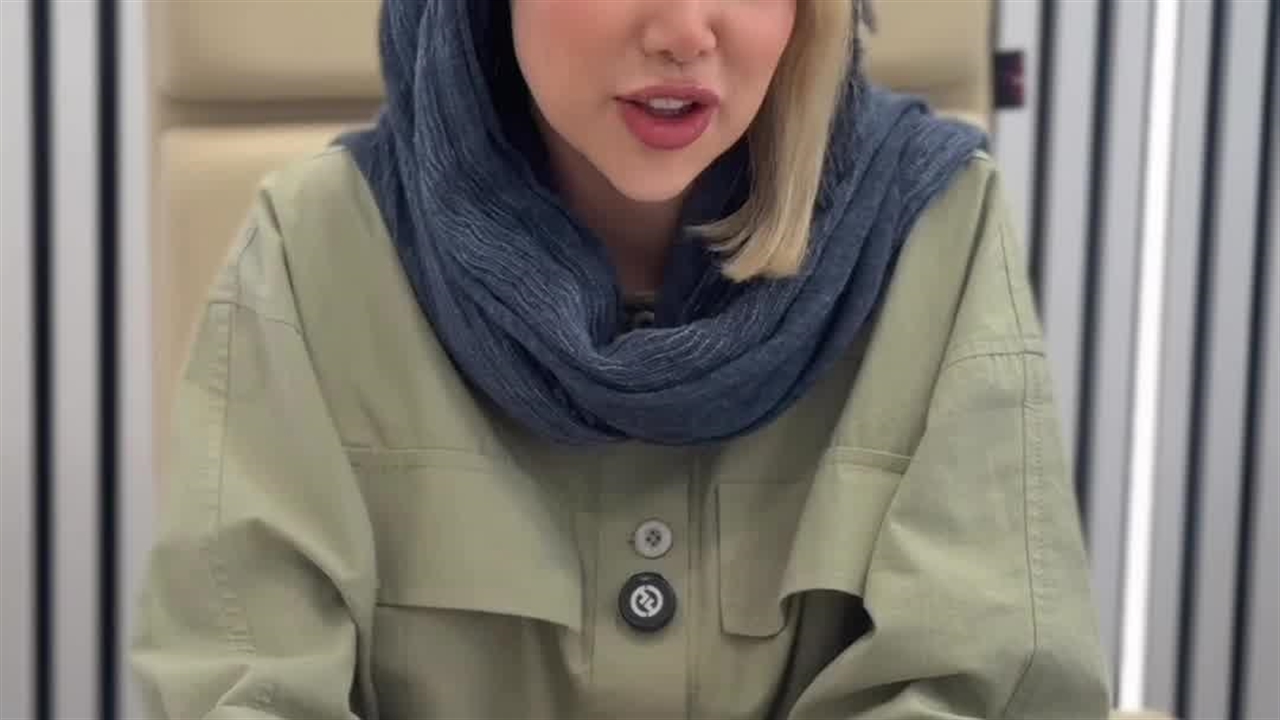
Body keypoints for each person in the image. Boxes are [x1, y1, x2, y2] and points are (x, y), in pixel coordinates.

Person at [130, 0, 1113, 718]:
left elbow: (995, 688)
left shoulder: (934, 233)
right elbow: (240, 688)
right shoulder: (316, 248)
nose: (684, 31)